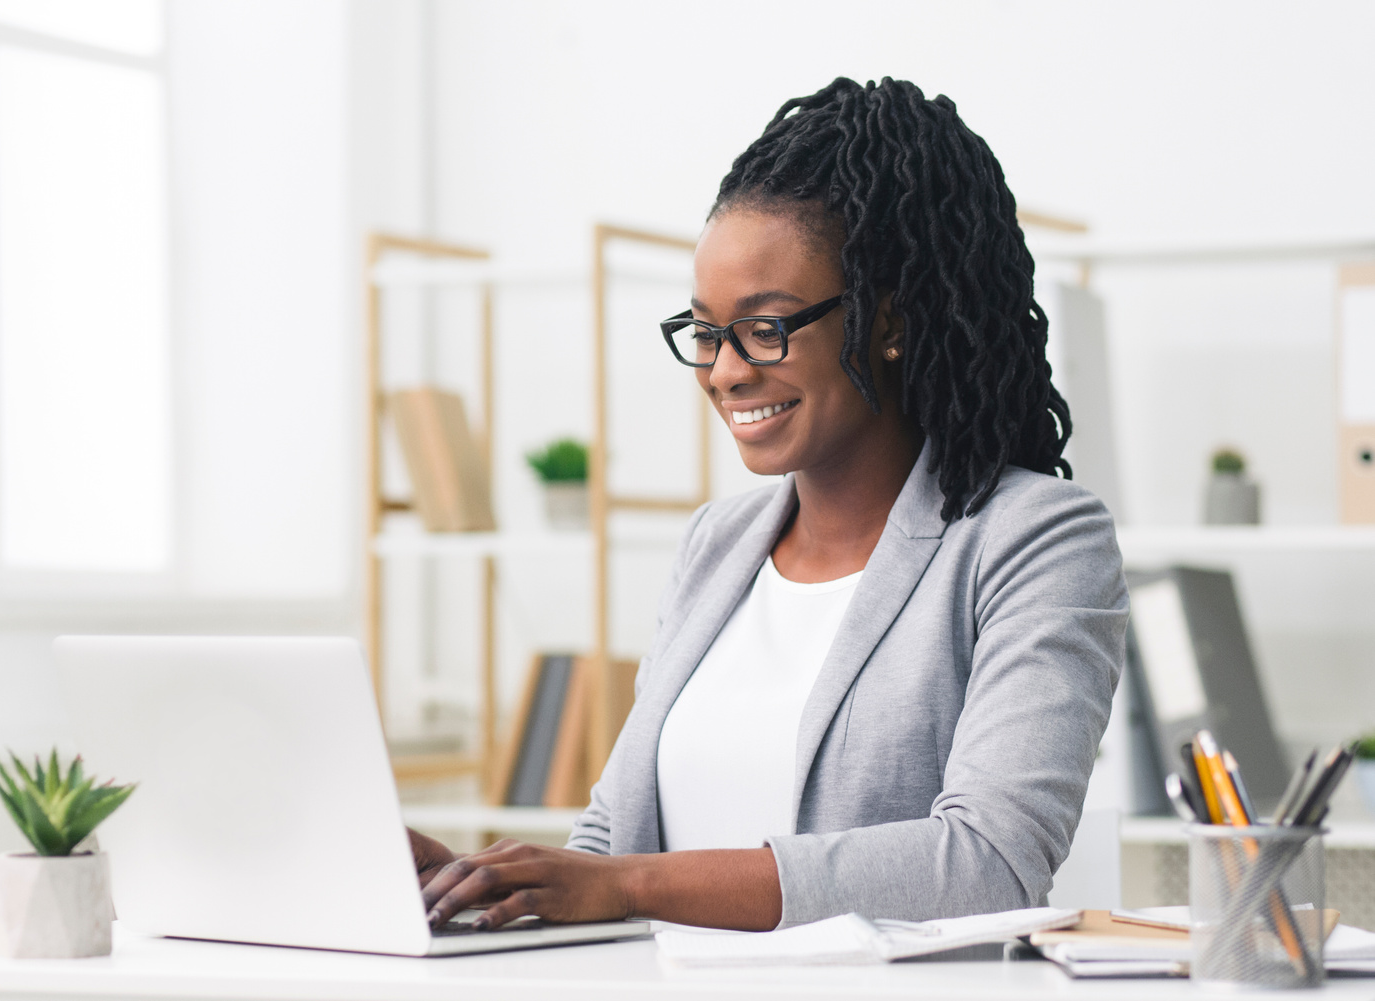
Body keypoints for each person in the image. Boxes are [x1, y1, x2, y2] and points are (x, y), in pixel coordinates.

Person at [410, 76, 1128, 933]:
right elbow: (612, 843)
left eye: (765, 327)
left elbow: (987, 863)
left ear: (887, 320)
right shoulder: (716, 545)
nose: (724, 371)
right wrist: (475, 882)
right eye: (707, 333)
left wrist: (630, 885)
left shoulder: (1033, 540)